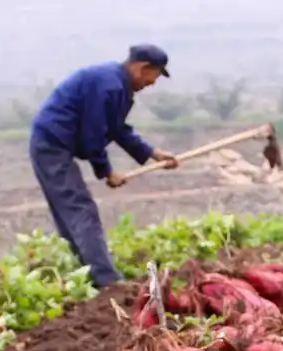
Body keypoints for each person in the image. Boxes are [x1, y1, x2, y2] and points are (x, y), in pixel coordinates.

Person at [29, 44, 180, 287]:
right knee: (80, 209)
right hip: (51, 144)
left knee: (71, 211)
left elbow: (117, 128)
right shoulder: (108, 85)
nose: (153, 83)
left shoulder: (117, 85)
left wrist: (152, 153)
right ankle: (108, 281)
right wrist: (106, 172)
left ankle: (88, 273)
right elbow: (94, 133)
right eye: (155, 75)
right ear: (143, 68)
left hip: (55, 142)